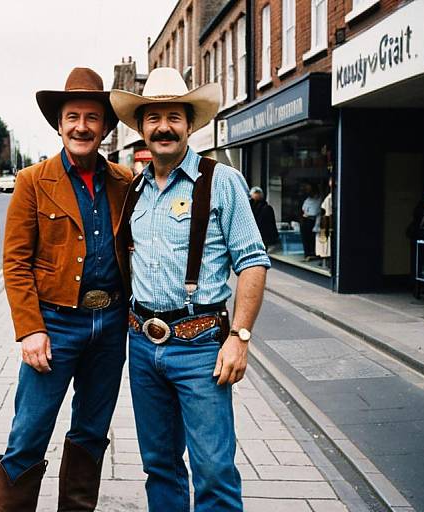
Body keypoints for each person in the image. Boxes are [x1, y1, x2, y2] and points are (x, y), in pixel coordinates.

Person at [111, 67, 271, 511]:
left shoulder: (221, 181)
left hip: (201, 345)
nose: (163, 126)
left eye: (173, 117)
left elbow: (254, 262)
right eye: (153, 118)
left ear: (189, 125)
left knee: (214, 470)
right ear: (141, 127)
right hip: (143, 345)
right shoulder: (135, 189)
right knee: (159, 465)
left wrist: (239, 338)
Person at [0, 68, 133, 511]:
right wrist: (30, 329)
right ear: (59, 124)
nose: (81, 126)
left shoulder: (125, 181)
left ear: (106, 128)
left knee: (92, 433)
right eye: (73, 116)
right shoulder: (32, 181)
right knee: (29, 434)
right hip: (54, 326)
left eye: (92, 118)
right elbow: (15, 262)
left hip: (110, 326)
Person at [300, 183, 321, 261]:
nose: (308, 192)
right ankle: (307, 254)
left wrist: (307, 213)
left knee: (311, 238)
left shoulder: (318, 199)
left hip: (312, 220)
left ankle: (312, 254)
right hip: (305, 220)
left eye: (309, 190)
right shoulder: (307, 199)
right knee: (305, 238)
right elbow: (303, 208)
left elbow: (314, 211)